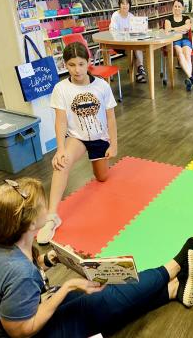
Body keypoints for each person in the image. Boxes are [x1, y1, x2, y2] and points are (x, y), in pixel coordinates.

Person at [0, 178, 193, 338]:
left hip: (3, 323)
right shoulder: (18, 272)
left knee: (99, 301)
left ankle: (172, 290)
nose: (49, 208)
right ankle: (174, 267)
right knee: (101, 304)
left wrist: (50, 259)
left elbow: (14, 278)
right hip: (21, 332)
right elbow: (22, 330)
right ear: (31, 223)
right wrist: (67, 287)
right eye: (44, 205)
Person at [36, 42, 118, 244]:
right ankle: (51, 216)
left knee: (102, 178)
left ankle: (97, 164)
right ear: (65, 65)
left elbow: (111, 118)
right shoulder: (61, 89)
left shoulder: (101, 86)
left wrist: (113, 144)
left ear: (88, 62)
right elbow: (61, 121)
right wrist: (60, 149)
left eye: (81, 64)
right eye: (71, 65)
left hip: (99, 138)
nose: (77, 69)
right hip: (77, 138)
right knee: (61, 163)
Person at [109, 0, 147, 83]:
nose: (125, 6)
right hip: (118, 44)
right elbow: (112, 31)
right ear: (119, 5)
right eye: (123, 4)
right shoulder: (115, 16)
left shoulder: (131, 16)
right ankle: (139, 71)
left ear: (130, 5)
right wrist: (124, 32)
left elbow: (136, 31)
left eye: (127, 3)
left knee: (136, 47)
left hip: (130, 43)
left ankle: (139, 69)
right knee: (135, 49)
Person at [165, 0, 193, 92]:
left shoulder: (186, 18)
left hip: (185, 40)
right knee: (180, 54)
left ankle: (189, 79)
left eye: (179, 6)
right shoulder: (168, 19)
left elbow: (187, 27)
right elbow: (167, 30)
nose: (177, 8)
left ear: (182, 8)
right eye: (175, 6)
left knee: (187, 55)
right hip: (175, 41)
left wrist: (173, 28)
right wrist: (180, 29)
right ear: (172, 7)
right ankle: (190, 77)